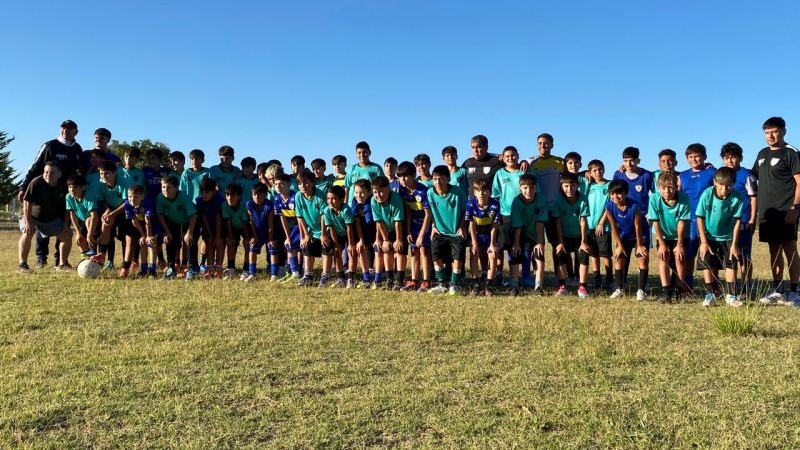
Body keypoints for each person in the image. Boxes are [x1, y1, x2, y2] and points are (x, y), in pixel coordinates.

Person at [19, 120, 82, 268]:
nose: (65, 131)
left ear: (76, 132)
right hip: (42, 194)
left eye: (69, 128)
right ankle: (40, 259)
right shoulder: (50, 145)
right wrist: (23, 187)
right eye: (63, 128)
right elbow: (34, 166)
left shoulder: (77, 149)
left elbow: (80, 171)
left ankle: (60, 262)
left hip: (63, 193)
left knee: (62, 228)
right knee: (36, 226)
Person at [753, 117, 800, 306]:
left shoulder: (791, 152)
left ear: (783, 131)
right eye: (767, 133)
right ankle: (778, 290)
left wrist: (795, 207)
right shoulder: (762, 153)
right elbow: (752, 176)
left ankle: (795, 291)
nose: (770, 136)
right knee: (774, 251)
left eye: (774, 132)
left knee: (790, 249)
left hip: (787, 210)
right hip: (768, 213)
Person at [695, 167, 744, 307]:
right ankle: (709, 295)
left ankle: (731, 296)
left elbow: (737, 221)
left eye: (728, 185)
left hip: (728, 236)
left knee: (731, 263)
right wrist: (703, 242)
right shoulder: (707, 194)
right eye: (721, 184)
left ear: (733, 184)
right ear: (715, 182)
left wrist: (734, 245)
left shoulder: (737, 197)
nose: (724, 188)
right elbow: (699, 217)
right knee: (708, 263)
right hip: (708, 236)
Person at [18, 162, 72, 272]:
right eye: (46, 172)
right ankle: (22, 265)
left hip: (50, 219)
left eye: (52, 172)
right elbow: (27, 203)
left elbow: (67, 207)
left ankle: (62, 265)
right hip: (32, 216)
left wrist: (66, 225)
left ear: (60, 174)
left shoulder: (63, 186)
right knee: (27, 232)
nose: (48, 175)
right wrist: (28, 223)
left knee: (67, 235)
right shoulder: (36, 182)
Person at [720, 142, 758, 298]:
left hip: (743, 221)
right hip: (726, 223)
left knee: (744, 257)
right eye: (726, 157)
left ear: (740, 158)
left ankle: (747, 287)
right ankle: (733, 288)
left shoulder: (746, 175)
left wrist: (752, 219)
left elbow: (754, 198)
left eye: (733, 157)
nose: (730, 160)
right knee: (730, 256)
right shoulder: (721, 174)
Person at [648, 172, 691, 303]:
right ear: (658, 188)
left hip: (681, 235)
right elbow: (655, 221)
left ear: (676, 187)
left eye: (670, 187)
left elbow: (682, 222)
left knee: (680, 258)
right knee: (663, 257)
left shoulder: (684, 198)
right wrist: (662, 244)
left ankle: (679, 290)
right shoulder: (654, 198)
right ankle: (666, 292)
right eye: (663, 188)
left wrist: (680, 244)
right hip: (663, 235)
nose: (667, 191)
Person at [492, 146, 531, 285]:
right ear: (503, 158)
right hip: (506, 214)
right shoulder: (499, 174)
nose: (510, 158)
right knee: (509, 246)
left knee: (526, 245)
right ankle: (510, 277)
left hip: (525, 214)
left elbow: (532, 191)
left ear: (518, 156)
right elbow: (495, 195)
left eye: (513, 155)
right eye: (507, 156)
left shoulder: (524, 171)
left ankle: (525, 276)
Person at [604, 179, 649, 300]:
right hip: (624, 236)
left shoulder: (634, 206)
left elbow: (637, 226)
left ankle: (641, 291)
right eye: (612, 193)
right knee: (619, 258)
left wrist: (640, 245)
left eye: (619, 193)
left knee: (642, 258)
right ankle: (619, 289)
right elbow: (614, 226)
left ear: (626, 193)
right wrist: (619, 245)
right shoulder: (609, 206)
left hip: (640, 235)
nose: (615, 196)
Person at [678, 143, 715, 289]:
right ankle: (687, 285)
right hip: (689, 220)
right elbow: (678, 196)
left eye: (697, 156)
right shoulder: (682, 175)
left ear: (704, 157)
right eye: (690, 157)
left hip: (709, 218)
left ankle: (713, 286)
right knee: (689, 254)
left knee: (710, 252)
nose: (693, 159)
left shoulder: (712, 172)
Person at [530, 133, 565, 283]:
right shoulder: (532, 163)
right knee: (537, 243)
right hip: (537, 210)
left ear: (552, 145)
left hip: (553, 210)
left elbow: (572, 175)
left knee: (556, 242)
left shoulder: (560, 162)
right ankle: (537, 274)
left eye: (546, 143)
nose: (543, 145)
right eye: (540, 143)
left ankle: (559, 274)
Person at [426, 166, 467, 295]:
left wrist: (462, 226)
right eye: (435, 179)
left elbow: (465, 210)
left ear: (448, 179)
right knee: (436, 255)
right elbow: (430, 212)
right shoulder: (430, 193)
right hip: (439, 231)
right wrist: (433, 226)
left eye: (441, 179)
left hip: (456, 231)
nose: (438, 182)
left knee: (457, 257)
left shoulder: (458, 192)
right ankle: (442, 284)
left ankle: (454, 284)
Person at [551, 172, 590, 298]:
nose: (569, 189)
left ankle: (582, 287)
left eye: (572, 186)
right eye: (566, 186)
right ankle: (562, 286)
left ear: (577, 185)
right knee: (560, 254)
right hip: (565, 235)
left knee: (584, 254)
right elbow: (557, 223)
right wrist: (560, 242)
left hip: (579, 235)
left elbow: (583, 221)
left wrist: (584, 241)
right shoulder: (558, 200)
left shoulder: (583, 198)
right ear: (561, 186)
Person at [395, 161, 432, 291]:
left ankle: (426, 281)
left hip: (426, 224)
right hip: (414, 225)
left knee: (423, 250)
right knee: (414, 250)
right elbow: (408, 211)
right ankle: (414, 281)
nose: (403, 179)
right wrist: (409, 230)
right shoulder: (402, 190)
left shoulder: (423, 190)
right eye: (400, 176)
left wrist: (422, 234)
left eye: (406, 176)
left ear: (413, 176)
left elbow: (428, 214)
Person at [509, 174, 548, 296]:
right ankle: (514, 285)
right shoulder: (516, 202)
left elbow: (540, 222)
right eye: (525, 187)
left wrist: (539, 242)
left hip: (536, 233)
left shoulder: (541, 199)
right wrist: (516, 243)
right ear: (520, 188)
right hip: (520, 233)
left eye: (531, 187)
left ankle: (538, 286)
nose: (528, 191)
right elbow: (517, 224)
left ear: (536, 187)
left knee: (539, 254)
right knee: (515, 254)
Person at [155, 176, 198, 280]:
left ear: (176, 188)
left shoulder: (183, 197)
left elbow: (193, 215)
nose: (165, 190)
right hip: (174, 221)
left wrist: (189, 232)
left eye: (169, 187)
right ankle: (171, 270)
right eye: (163, 187)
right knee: (169, 240)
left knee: (189, 241)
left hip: (189, 221)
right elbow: (160, 215)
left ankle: (191, 269)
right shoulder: (160, 197)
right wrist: (166, 231)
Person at [465, 178, 501, 296]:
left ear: (489, 192)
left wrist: (492, 244)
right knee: (474, 253)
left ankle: (488, 285)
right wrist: (474, 244)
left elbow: (494, 225)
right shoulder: (470, 204)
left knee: (493, 255)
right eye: (478, 191)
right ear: (474, 192)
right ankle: (476, 284)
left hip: (490, 234)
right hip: (477, 235)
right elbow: (471, 225)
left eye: (484, 190)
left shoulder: (495, 204)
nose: (481, 193)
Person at [370, 175, 407, 290]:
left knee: (400, 251)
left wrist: (399, 239)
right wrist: (385, 240)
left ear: (388, 189)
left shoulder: (396, 199)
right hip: (386, 228)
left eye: (380, 192)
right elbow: (379, 221)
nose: (378, 195)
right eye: (375, 192)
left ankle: (399, 281)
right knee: (386, 250)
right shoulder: (373, 201)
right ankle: (389, 280)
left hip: (400, 227)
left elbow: (398, 221)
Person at [294, 170, 328, 286]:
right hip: (310, 230)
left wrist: (323, 234)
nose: (302, 186)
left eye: (306, 182)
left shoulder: (320, 195)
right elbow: (299, 217)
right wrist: (305, 235)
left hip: (325, 228)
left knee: (326, 248)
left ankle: (325, 276)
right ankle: (308, 276)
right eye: (300, 183)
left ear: (313, 183)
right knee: (307, 247)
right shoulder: (298, 196)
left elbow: (324, 216)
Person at [585, 160, 613, 290]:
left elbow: (610, 206)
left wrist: (601, 223)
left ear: (604, 169)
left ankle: (609, 279)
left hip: (603, 226)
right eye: (594, 170)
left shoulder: (609, 185)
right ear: (590, 172)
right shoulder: (588, 185)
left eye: (600, 169)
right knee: (593, 254)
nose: (598, 172)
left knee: (605, 254)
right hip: (589, 226)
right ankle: (597, 278)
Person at [322, 185, 355, 288]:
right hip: (337, 234)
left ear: (341, 199)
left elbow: (349, 228)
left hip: (350, 234)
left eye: (333, 199)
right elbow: (332, 229)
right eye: (328, 198)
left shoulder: (346, 210)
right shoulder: (327, 210)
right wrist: (336, 245)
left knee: (351, 253)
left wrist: (351, 244)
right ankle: (340, 277)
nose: (330, 201)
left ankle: (351, 277)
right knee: (336, 252)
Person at [118, 184, 153, 278]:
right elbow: (134, 221)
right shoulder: (127, 204)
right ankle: (125, 268)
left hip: (150, 226)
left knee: (144, 243)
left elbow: (148, 220)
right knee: (129, 239)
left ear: (142, 196)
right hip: (137, 225)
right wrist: (142, 234)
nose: (132, 199)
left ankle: (145, 269)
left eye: (135, 197)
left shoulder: (148, 203)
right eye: (130, 196)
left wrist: (146, 235)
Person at [273, 173, 302, 282]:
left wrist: (303, 234)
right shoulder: (277, 198)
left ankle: (299, 272)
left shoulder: (296, 197)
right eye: (276, 184)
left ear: (289, 184)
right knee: (289, 244)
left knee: (298, 247)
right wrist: (288, 237)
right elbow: (283, 218)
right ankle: (294, 273)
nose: (278, 186)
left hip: (302, 225)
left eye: (281, 184)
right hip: (292, 227)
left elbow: (300, 218)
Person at [243, 182, 275, 282]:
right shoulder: (249, 204)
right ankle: (252, 273)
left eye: (259, 194)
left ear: (265, 194)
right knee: (252, 248)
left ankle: (273, 273)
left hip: (268, 233)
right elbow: (251, 221)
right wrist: (254, 236)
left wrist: (270, 239)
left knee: (271, 248)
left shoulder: (269, 205)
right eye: (254, 194)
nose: (257, 197)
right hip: (256, 233)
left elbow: (270, 224)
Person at [194, 178, 224, 278]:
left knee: (219, 243)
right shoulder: (199, 200)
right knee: (209, 242)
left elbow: (219, 218)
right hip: (207, 226)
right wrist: (210, 235)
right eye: (202, 192)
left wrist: (218, 236)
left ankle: (218, 268)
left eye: (207, 192)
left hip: (221, 225)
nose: (204, 194)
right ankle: (210, 267)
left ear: (214, 191)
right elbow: (203, 218)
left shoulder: (219, 200)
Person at [350, 179, 377, 288]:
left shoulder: (374, 202)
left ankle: (379, 278)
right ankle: (366, 278)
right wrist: (361, 239)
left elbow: (379, 222)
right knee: (362, 250)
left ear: (369, 192)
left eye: (361, 193)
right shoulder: (354, 202)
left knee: (378, 252)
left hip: (375, 230)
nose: (358, 195)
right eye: (356, 192)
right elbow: (355, 220)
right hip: (361, 229)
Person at [220, 183, 251, 280]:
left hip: (246, 226)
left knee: (247, 245)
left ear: (239, 196)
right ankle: (231, 269)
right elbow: (228, 221)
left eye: (232, 195)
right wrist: (230, 238)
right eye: (227, 195)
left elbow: (245, 222)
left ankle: (246, 270)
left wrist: (246, 238)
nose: (229, 198)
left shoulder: (243, 205)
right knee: (231, 244)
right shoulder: (224, 205)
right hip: (233, 227)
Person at [64, 174, 98, 257]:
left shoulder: (89, 197)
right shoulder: (69, 197)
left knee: (88, 222)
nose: (72, 190)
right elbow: (72, 214)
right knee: (80, 239)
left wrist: (89, 234)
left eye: (75, 187)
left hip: (96, 220)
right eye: (70, 187)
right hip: (83, 220)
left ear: (83, 187)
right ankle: (85, 257)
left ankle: (95, 255)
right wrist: (78, 232)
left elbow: (94, 216)